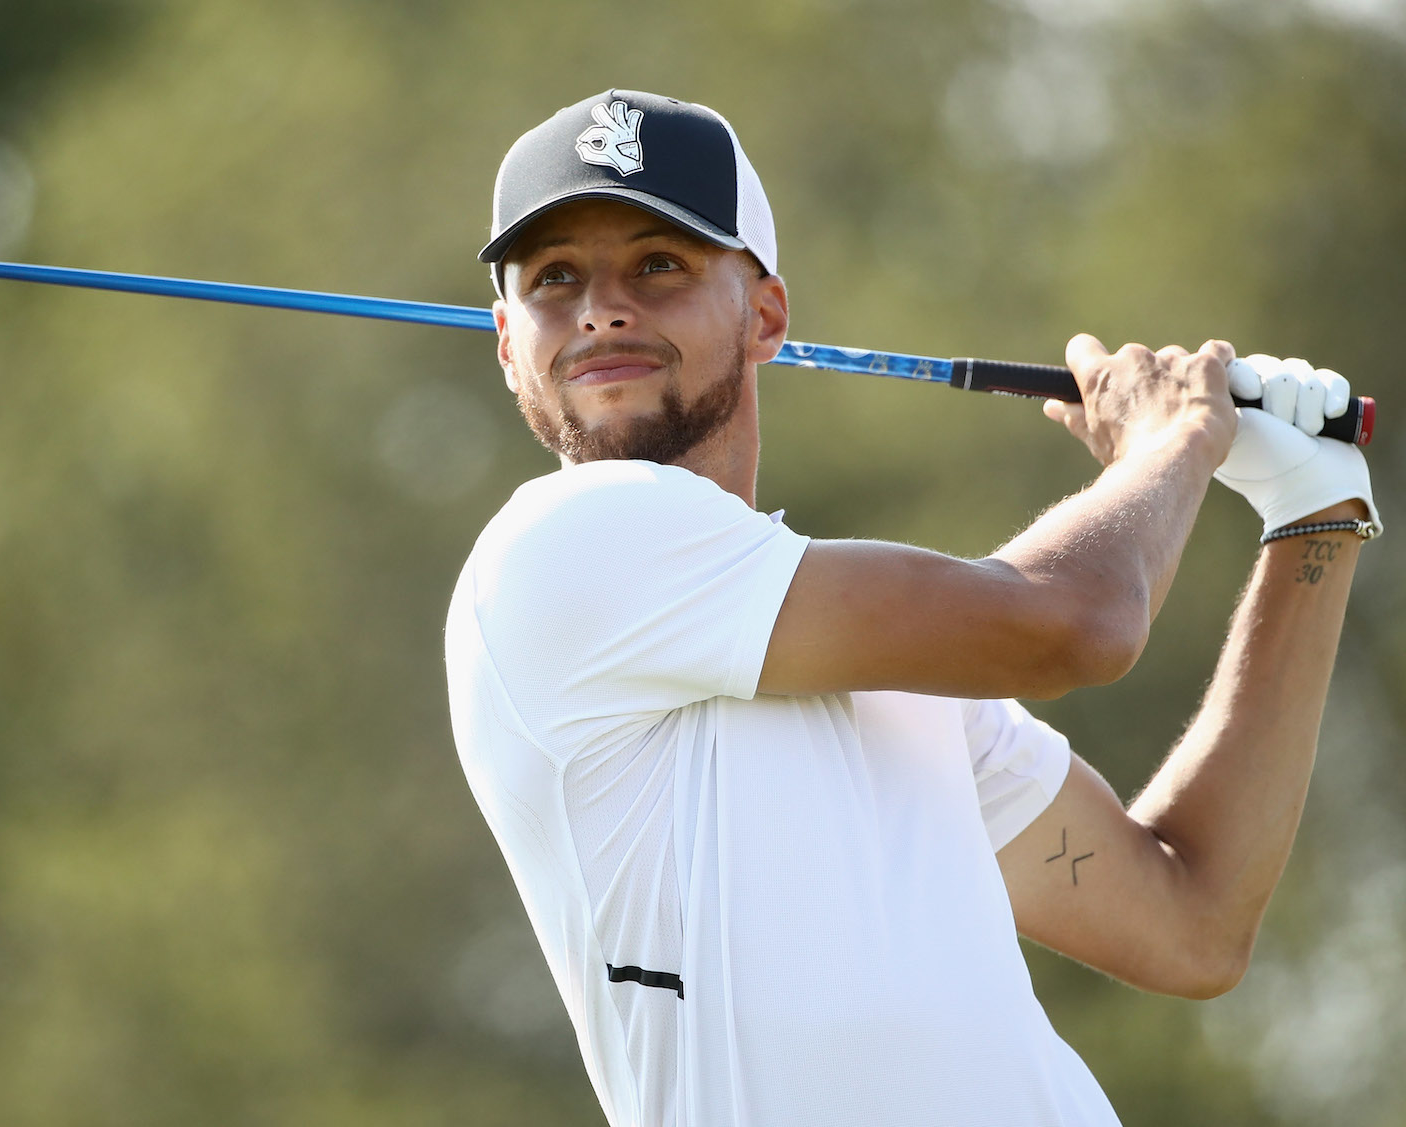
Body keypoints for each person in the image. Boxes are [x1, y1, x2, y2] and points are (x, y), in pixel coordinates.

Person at [442, 89, 1381, 1127]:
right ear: (504, 339)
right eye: (553, 279)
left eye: (658, 264)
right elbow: (1074, 619)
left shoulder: (897, 667)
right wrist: (1174, 442)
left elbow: (1191, 919)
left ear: (765, 314)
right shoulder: (563, 543)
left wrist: (1313, 516)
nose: (602, 309)